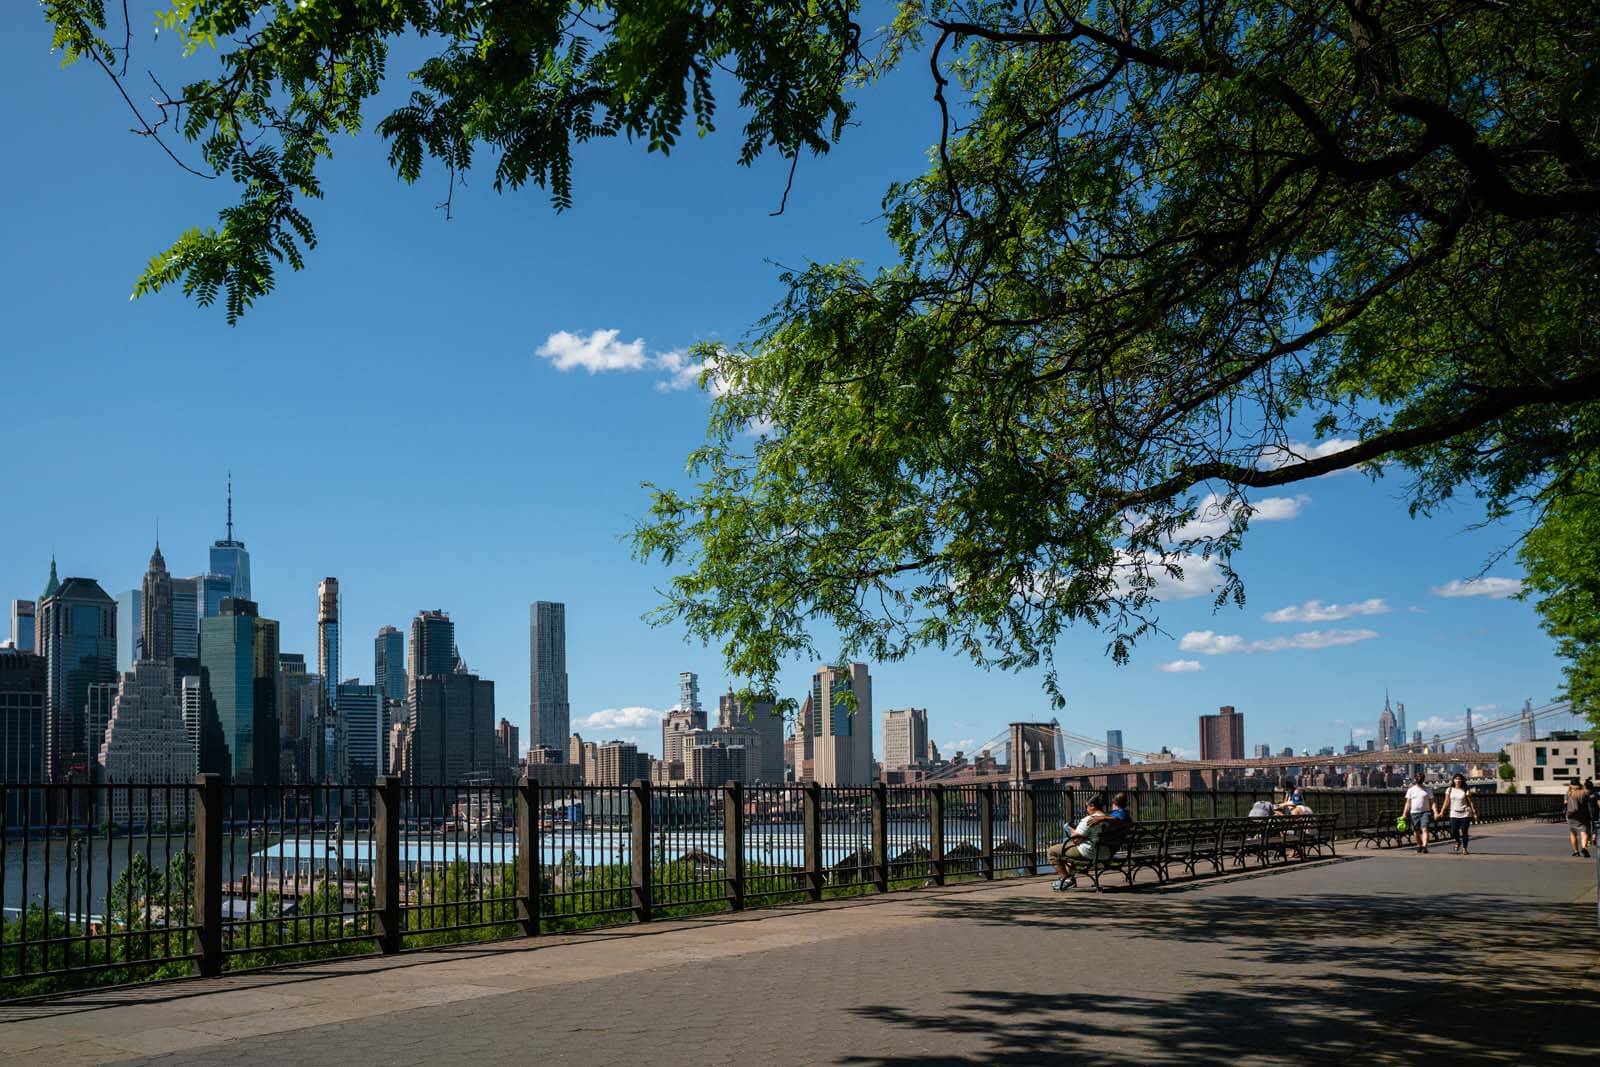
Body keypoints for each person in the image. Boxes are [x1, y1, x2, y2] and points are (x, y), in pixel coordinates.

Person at [1047, 794, 1111, 890]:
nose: (1086, 809)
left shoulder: (1089, 820)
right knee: (1067, 845)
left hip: (1089, 853)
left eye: (1087, 806)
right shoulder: (1110, 819)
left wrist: (1070, 829)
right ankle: (1070, 877)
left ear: (1092, 805)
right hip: (1106, 853)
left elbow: (1075, 840)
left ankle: (1066, 880)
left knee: (1052, 851)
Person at [1435, 773, 1477, 855]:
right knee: (1453, 830)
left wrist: (1474, 813)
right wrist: (1442, 812)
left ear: (1462, 781)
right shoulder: (1449, 790)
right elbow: (1446, 802)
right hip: (1454, 813)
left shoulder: (1466, 790)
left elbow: (1471, 802)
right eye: (1456, 779)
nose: (1458, 780)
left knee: (1464, 831)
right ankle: (1458, 842)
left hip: (1465, 812)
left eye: (1459, 779)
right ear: (1453, 780)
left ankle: (1464, 848)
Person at [1401, 773, 1434, 854]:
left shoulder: (1428, 789)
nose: (1419, 779)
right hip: (1414, 813)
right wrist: (1404, 813)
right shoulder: (1411, 790)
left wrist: (1435, 812)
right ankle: (1419, 845)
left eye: (1421, 777)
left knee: (1425, 829)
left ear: (1423, 779)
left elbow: (1433, 802)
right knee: (1416, 831)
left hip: (1425, 812)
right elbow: (1408, 803)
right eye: (1418, 777)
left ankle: (1424, 846)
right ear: (1415, 779)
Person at [1564, 780, 1590, 857]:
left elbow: (1565, 803)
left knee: (1573, 833)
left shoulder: (1568, 793)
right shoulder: (1584, 793)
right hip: (1583, 815)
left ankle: (1576, 851)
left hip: (1571, 815)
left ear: (1571, 785)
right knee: (1584, 832)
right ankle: (1584, 847)